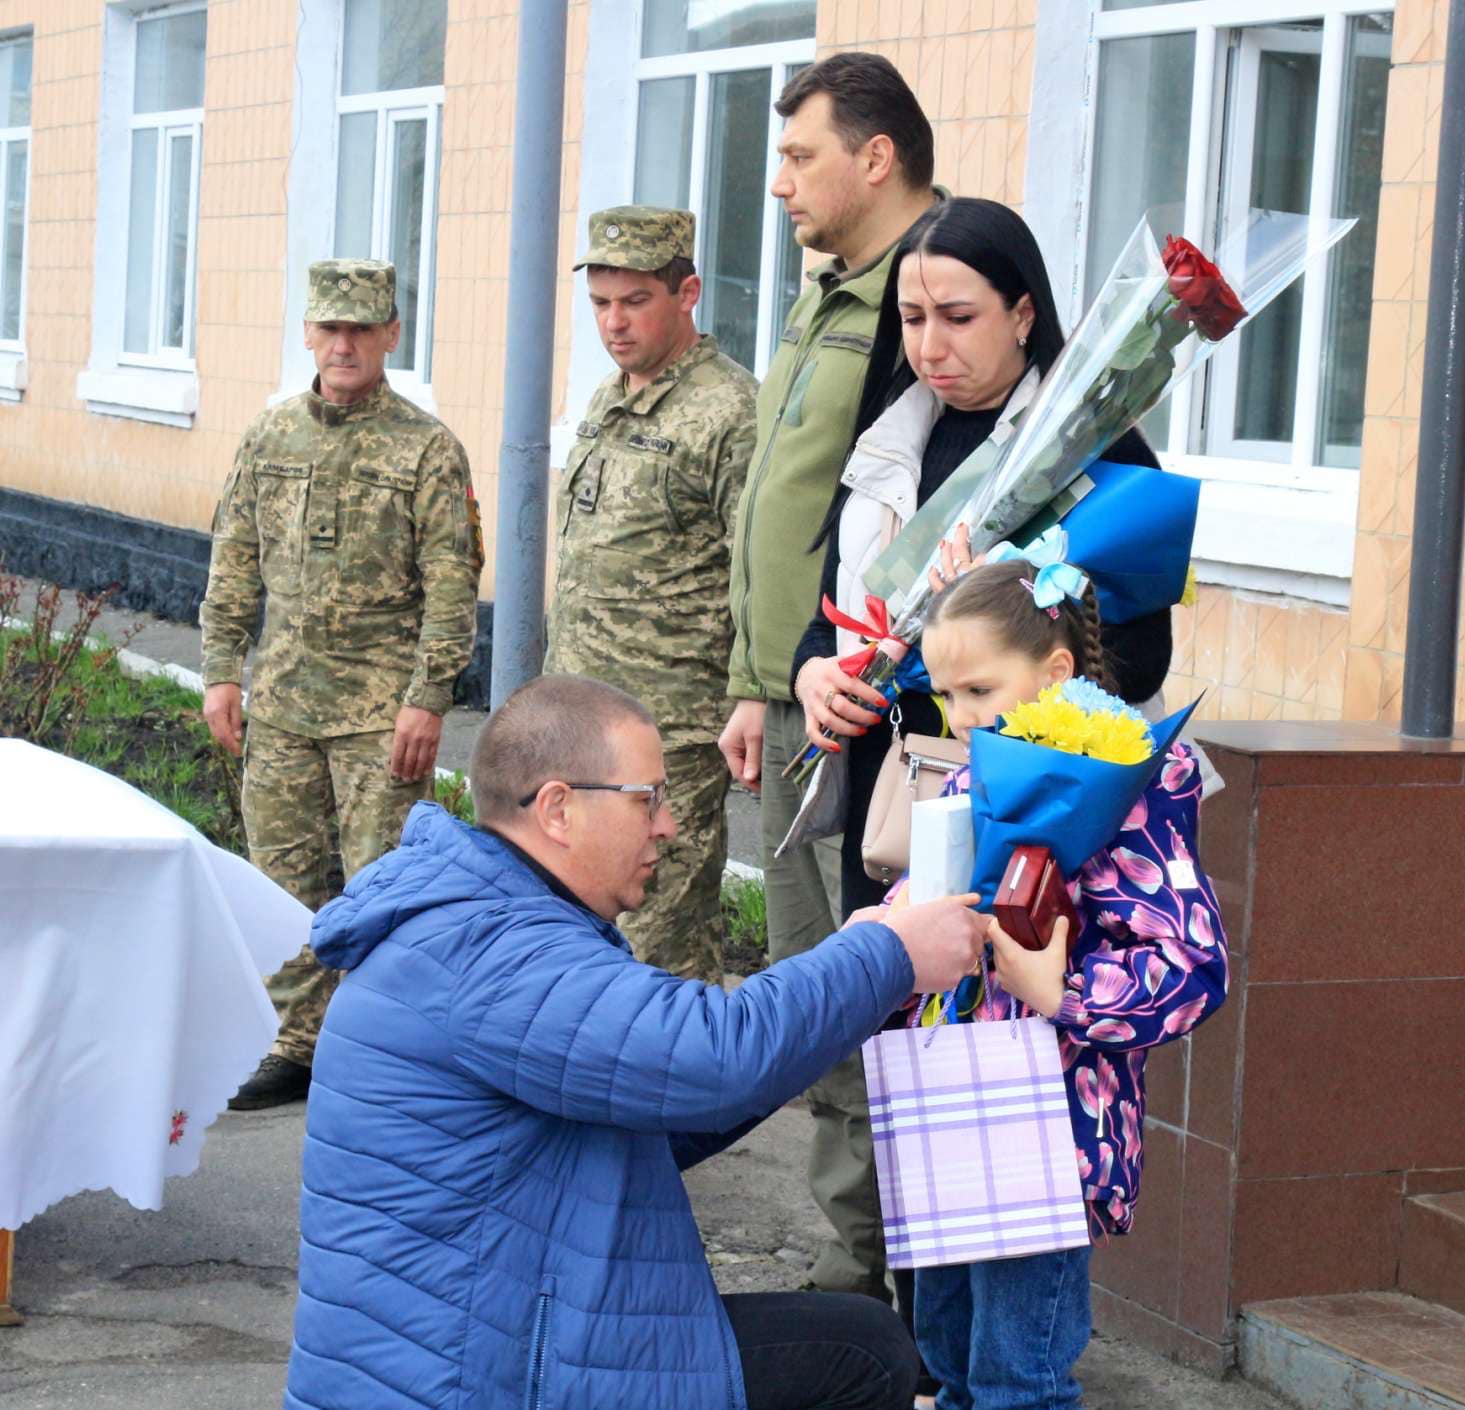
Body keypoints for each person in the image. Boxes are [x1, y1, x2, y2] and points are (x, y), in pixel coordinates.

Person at [283, 673, 991, 1410]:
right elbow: (717, 1056)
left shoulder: (487, 917)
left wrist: (854, 977)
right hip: (481, 1376)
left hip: (489, 1344)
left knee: (857, 1339)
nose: (669, 824)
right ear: (557, 808)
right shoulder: (493, 954)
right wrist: (886, 958)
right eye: (647, 798)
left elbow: (669, 1099)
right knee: (866, 1355)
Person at [792, 197, 1176, 923]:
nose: (930, 347)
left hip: (1030, 814)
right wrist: (814, 676)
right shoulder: (885, 440)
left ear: (1023, 315)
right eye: (912, 319)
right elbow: (826, 620)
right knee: (889, 1020)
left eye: (958, 318)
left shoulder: (1099, 455)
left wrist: (999, 617)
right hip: (892, 809)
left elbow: (1140, 660)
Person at [720, 48, 940, 1308]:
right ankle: (857, 1263)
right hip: (799, 697)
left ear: (876, 156)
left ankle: (877, 1283)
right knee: (810, 992)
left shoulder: (920, 306)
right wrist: (758, 680)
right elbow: (791, 517)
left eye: (800, 156)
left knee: (860, 994)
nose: (780, 184)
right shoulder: (832, 294)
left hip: (875, 721)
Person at [907, 558, 1230, 1410]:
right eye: (947, 697)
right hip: (952, 1103)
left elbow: (1191, 963)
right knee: (947, 1355)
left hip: (1049, 1123)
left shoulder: (1132, 788)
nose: (962, 717)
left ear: (1056, 673)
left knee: (1019, 1374)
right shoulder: (982, 771)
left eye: (979, 690)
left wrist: (1065, 993)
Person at [200, 258, 483, 1111]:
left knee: (383, 887)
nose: (344, 343)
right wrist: (220, 669)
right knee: (285, 883)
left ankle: (387, 1049)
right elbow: (235, 555)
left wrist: (429, 696)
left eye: (362, 327)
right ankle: (298, 1043)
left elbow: (451, 582)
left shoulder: (426, 447)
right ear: (310, 335)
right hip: (282, 702)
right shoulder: (271, 435)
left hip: (378, 714)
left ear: (391, 334)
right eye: (330, 327)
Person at [545, 205, 757, 983]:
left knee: (659, 941)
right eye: (601, 303)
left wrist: (750, 697)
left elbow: (756, 572)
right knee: (586, 930)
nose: (614, 322)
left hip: (670, 733)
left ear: (688, 291)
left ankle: (675, 1102)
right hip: (584, 719)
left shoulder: (730, 411)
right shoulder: (611, 397)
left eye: (635, 301)